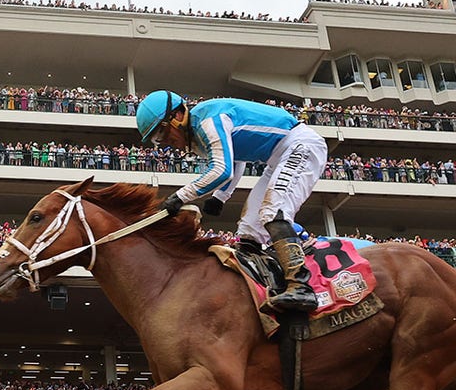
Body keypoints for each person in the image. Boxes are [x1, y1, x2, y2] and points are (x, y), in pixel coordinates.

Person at [136, 90, 328, 312]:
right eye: (157, 140)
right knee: (249, 232)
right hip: (278, 157)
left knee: (273, 212)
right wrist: (220, 196)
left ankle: (301, 286)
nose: (166, 142)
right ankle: (266, 287)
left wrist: (180, 197)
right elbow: (236, 160)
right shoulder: (198, 131)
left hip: (299, 145)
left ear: (178, 116)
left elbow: (222, 169)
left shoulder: (207, 121)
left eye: (162, 133)